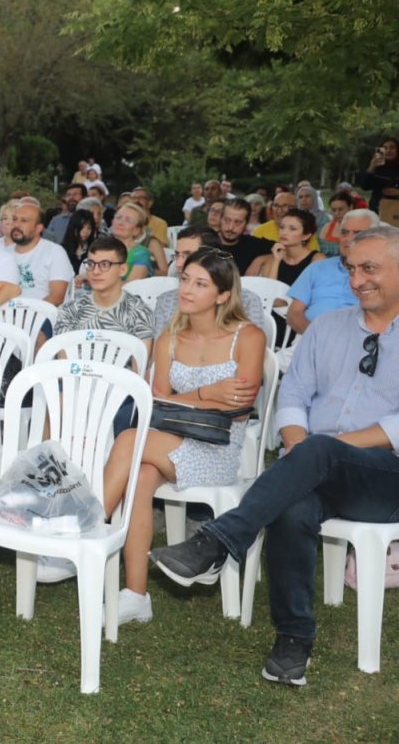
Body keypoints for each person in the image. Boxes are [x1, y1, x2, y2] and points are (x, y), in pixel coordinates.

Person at [149, 226, 399, 686]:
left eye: (370, 269)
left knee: (319, 452)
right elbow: (293, 395)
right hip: (313, 463)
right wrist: (298, 441)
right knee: (292, 506)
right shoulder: (326, 328)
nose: (358, 279)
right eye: (351, 269)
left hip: (385, 477)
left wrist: (314, 449)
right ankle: (293, 639)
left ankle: (219, 542)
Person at [98, 248, 264, 624]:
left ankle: (87, 529)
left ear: (223, 295)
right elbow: (156, 399)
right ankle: (136, 595)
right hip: (170, 437)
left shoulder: (248, 336)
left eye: (200, 284)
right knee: (139, 475)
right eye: (185, 278)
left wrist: (186, 400)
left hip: (219, 447)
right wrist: (207, 394)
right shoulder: (169, 336)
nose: (186, 289)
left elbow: (238, 404)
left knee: (128, 441)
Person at [151, 226, 266, 342]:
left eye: (188, 255)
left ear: (212, 259)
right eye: (177, 255)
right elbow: (158, 352)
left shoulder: (248, 301)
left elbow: (253, 351)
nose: (179, 264)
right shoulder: (166, 300)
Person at [55, 236, 155, 358]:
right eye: (91, 264)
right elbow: (63, 366)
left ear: (122, 269)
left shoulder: (140, 313)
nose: (95, 271)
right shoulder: (69, 310)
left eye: (105, 264)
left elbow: (139, 369)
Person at [285, 209, 378, 336]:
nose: (348, 239)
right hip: (310, 339)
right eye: (344, 232)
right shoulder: (318, 268)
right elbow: (293, 314)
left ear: (375, 237)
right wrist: (318, 340)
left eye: (358, 233)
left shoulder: (383, 273)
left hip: (361, 344)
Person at [4, 203, 74, 307]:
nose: (16, 225)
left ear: (38, 228)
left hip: (43, 318)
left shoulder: (54, 252)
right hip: (6, 317)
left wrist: (27, 316)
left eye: (24, 221)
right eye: (15, 219)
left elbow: (57, 297)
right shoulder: (4, 254)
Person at [246, 208, 323, 286]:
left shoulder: (317, 259)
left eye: (292, 229)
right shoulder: (273, 258)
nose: (284, 232)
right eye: (282, 227)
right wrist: (276, 261)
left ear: (306, 236)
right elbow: (269, 292)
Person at [216, 198, 271, 275]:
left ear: (246, 224)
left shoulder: (255, 245)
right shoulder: (204, 242)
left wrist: (261, 259)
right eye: (227, 220)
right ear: (220, 219)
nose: (231, 227)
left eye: (238, 222)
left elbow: (283, 250)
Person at [253, 191, 321, 251]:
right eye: (276, 205)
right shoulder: (260, 231)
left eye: (285, 206)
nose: (279, 210)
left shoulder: (305, 231)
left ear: (296, 208)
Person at [109, 202, 157, 282]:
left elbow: (131, 286)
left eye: (128, 220)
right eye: (118, 217)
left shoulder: (141, 253)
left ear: (136, 230)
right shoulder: (102, 248)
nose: (121, 223)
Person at [360, 137, 399, 223]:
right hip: (377, 211)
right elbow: (365, 186)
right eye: (385, 148)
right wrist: (372, 166)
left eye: (392, 147)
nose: (388, 150)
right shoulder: (377, 169)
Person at [317, 190, 354, 258]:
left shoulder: (359, 227)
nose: (337, 213)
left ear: (350, 208)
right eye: (334, 210)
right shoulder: (327, 227)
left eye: (341, 209)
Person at [60, 208, 97, 274]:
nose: (85, 231)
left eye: (89, 228)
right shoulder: (62, 249)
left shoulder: (95, 248)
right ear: (73, 227)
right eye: (82, 227)